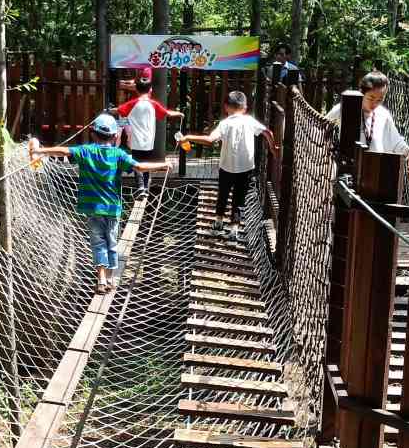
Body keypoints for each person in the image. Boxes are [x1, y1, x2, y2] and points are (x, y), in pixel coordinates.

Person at [29, 113, 170, 293]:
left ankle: (101, 280)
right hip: (112, 209)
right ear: (115, 136)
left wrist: (39, 151)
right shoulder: (119, 154)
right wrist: (162, 165)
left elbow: (64, 151)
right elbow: (140, 167)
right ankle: (110, 280)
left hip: (93, 209)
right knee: (112, 243)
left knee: (98, 244)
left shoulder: (86, 151)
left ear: (92, 134)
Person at [179, 89, 277, 238]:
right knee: (239, 198)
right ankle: (234, 230)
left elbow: (211, 140)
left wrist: (188, 137)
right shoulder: (250, 121)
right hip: (246, 168)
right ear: (244, 108)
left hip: (227, 167)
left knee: (223, 195)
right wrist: (273, 148)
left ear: (226, 107)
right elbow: (267, 132)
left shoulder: (225, 123)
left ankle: (218, 223)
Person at [326, 71, 409, 181]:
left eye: (380, 100)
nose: (375, 103)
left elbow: (396, 141)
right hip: (347, 172)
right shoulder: (344, 108)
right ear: (362, 93)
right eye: (371, 98)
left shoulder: (384, 115)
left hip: (375, 173)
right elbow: (323, 126)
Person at [110, 67, 182, 198]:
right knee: (146, 163)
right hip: (149, 140)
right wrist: (179, 113)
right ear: (150, 90)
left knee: (137, 162)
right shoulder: (153, 103)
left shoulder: (132, 103)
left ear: (136, 89)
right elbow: (166, 113)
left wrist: (108, 110)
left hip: (136, 140)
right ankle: (146, 188)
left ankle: (140, 187)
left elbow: (118, 110)